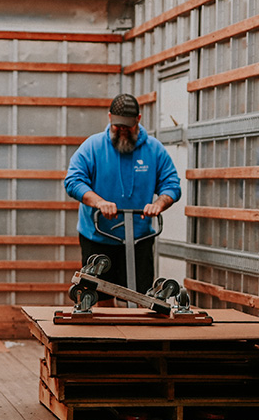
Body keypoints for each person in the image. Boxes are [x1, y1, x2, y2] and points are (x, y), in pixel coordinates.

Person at [64, 93, 181, 304]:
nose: (123, 130)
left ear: (138, 119)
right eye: (118, 126)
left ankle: (136, 335)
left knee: (141, 295)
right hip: (98, 235)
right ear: (109, 118)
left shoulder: (154, 150)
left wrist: (159, 204)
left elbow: (171, 185)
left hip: (139, 237)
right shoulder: (93, 147)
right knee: (99, 297)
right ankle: (106, 335)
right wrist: (99, 202)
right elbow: (73, 181)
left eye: (128, 126)